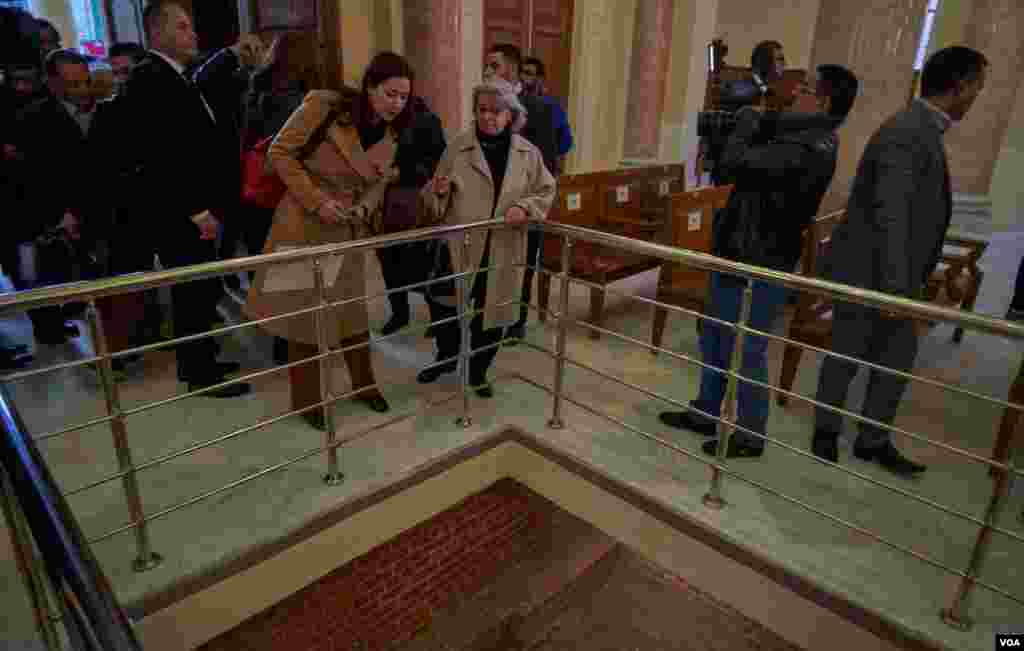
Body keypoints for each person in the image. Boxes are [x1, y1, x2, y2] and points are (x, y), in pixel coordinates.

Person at [659, 64, 860, 459]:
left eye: (804, 87)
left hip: (759, 260)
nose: (793, 92)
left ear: (822, 100)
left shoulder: (809, 145)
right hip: (739, 250)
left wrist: (748, 122)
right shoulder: (802, 134)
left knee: (746, 349)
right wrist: (757, 118)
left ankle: (751, 435)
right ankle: (706, 410)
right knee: (715, 336)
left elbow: (734, 165)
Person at [812, 46, 988, 478]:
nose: (977, 97)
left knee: (895, 362)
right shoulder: (907, 130)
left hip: (896, 276)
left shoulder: (923, 128)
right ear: (960, 86)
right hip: (870, 275)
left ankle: (873, 440)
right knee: (847, 354)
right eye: (977, 88)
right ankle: (825, 433)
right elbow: (891, 215)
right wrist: (896, 291)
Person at [99, 0, 261, 398]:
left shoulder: (176, 75)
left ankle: (202, 356)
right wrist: (197, 209)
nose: (194, 34)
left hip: (197, 207)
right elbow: (160, 156)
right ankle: (198, 372)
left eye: (191, 27)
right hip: (182, 212)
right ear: (158, 32)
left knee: (202, 287)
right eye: (184, 27)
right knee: (191, 289)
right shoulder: (150, 78)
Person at [245, 51, 416, 425]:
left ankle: (364, 385)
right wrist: (318, 200)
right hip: (303, 223)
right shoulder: (325, 105)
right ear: (370, 87)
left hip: (348, 230)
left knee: (353, 319)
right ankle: (308, 402)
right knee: (303, 323)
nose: (396, 104)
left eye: (403, 97)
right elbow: (280, 152)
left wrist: (365, 208)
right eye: (390, 93)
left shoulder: (390, 135)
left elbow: (377, 184)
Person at [417, 79, 556, 397]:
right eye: (482, 110)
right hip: (458, 245)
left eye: (497, 111)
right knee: (443, 306)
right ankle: (448, 356)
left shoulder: (528, 153)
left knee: (493, 314)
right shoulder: (458, 146)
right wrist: (436, 193)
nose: (488, 117)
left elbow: (546, 190)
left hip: (503, 246)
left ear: (511, 115)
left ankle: (478, 372)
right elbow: (434, 202)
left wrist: (525, 206)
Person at [11, 49, 102, 345]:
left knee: (76, 271)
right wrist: (58, 212)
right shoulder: (33, 118)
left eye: (83, 81)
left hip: (82, 208)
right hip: (41, 215)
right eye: (71, 83)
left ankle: (69, 316)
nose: (80, 89)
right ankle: (48, 328)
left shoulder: (97, 109)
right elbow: (32, 174)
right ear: (52, 83)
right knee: (40, 275)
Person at [483, 44, 561, 344]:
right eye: (486, 65)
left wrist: (527, 204)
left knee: (524, 265)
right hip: (489, 208)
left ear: (512, 71)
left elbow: (549, 161)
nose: (488, 71)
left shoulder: (540, 108)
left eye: (494, 65)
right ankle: (487, 317)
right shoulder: (484, 102)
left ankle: (516, 320)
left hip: (523, 208)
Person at [375, 95, 447, 337]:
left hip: (417, 201)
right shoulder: (382, 122)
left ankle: (437, 319)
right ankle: (399, 313)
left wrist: (402, 173)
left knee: (423, 262)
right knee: (389, 261)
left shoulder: (427, 121)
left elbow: (438, 163)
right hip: (388, 204)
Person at [700, 40, 786, 186]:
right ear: (765, 62)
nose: (784, 64)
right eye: (780, 59)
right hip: (732, 174)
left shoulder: (765, 91)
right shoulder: (745, 88)